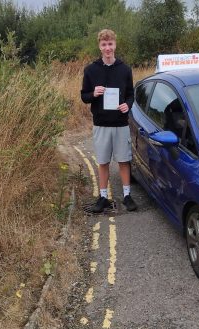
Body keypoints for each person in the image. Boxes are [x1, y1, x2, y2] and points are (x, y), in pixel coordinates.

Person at [81, 29, 137, 213]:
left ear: (115, 45)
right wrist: (93, 94)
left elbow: (131, 94)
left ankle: (127, 196)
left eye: (110, 44)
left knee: (123, 160)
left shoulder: (124, 69)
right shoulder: (90, 70)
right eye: (104, 45)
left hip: (120, 123)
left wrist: (127, 105)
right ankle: (103, 197)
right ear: (99, 46)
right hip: (101, 124)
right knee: (103, 161)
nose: (107, 48)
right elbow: (84, 96)